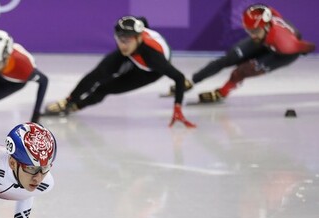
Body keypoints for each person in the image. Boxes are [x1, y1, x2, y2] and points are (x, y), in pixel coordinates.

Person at [43, 16, 195, 128]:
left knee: (105, 88)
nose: (122, 44)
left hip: (149, 71)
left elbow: (179, 77)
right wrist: (69, 99)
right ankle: (69, 101)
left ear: (138, 38)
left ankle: (77, 106)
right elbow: (141, 21)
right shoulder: (128, 46)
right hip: (133, 55)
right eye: (119, 39)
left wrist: (177, 108)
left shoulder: (153, 57)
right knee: (98, 74)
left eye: (127, 40)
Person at [174, 4, 315, 103]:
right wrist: (258, 33)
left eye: (254, 32)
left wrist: (304, 50)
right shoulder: (263, 22)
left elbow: (308, 47)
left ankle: (222, 92)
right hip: (267, 38)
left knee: (241, 71)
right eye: (249, 31)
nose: (252, 35)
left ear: (265, 26)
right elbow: (269, 12)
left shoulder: (286, 44)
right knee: (228, 59)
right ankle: (192, 81)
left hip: (282, 53)